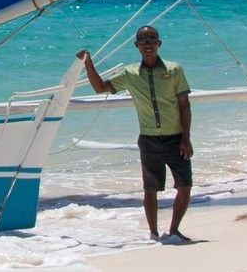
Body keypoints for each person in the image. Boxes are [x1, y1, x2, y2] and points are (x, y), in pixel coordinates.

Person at [78, 26, 194, 243]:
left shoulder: (174, 70)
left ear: (160, 43)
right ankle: (154, 234)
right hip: (149, 139)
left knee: (184, 186)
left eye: (152, 39)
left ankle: (175, 230)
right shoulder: (130, 74)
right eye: (143, 40)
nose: (148, 43)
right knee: (151, 189)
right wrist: (89, 64)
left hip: (176, 138)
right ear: (137, 46)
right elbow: (100, 87)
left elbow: (184, 104)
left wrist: (186, 137)